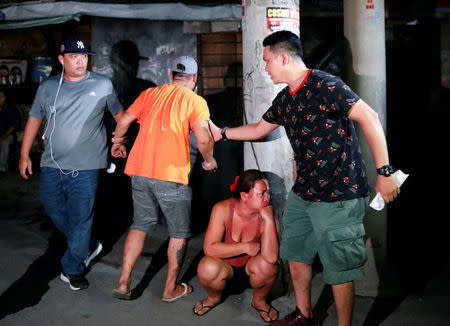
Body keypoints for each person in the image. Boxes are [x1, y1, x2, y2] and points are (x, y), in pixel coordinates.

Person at [208, 31, 400, 326]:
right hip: (304, 193)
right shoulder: (286, 99)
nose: (266, 67)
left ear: (283, 57)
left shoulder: (327, 85)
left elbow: (370, 118)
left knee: (339, 268)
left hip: (339, 195)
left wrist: (385, 173)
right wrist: (221, 133)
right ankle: (304, 314)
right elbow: (259, 129)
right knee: (296, 254)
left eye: (267, 60)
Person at [19, 35, 125, 291]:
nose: (80, 61)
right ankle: (86, 244)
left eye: (84, 56)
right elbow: (34, 119)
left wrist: (118, 141)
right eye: (74, 57)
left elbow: (121, 115)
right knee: (53, 208)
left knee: (81, 218)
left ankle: (73, 267)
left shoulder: (102, 84)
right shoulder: (48, 87)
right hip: (52, 164)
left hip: (87, 166)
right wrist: (24, 154)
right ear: (61, 59)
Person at [110, 55, 217, 302]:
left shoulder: (150, 94)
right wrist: (209, 160)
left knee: (140, 224)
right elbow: (203, 138)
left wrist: (117, 142)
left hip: (139, 170)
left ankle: (124, 282)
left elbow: (124, 120)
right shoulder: (195, 101)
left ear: (171, 76)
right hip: (170, 175)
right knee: (179, 232)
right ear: (195, 79)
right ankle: (170, 289)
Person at [193, 169, 279, 323]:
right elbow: (210, 249)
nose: (267, 198)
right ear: (244, 195)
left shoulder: (266, 216)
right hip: (225, 269)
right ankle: (214, 298)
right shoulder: (223, 209)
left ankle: (259, 300)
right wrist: (245, 247)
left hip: (251, 271)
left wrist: (270, 221)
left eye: (269, 193)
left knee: (270, 267)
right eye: (262, 193)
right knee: (206, 267)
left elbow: (271, 258)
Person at [0, 90, 20, 175]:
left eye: (1, 97)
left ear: (5, 98)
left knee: (4, 142)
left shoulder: (10, 109)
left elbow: (14, 125)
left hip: (8, 135)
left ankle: (2, 168)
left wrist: (4, 135)